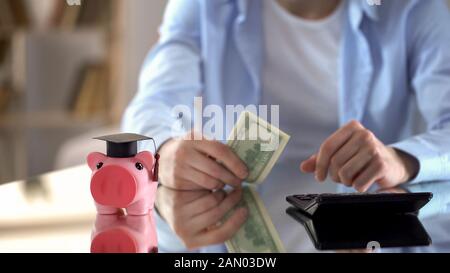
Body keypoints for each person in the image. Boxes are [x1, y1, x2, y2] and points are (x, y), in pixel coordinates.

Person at [122, 0, 450, 252]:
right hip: (229, 204)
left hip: (368, 214)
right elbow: (154, 101)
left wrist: (400, 159)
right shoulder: (203, 6)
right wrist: (165, 149)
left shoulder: (413, 8)